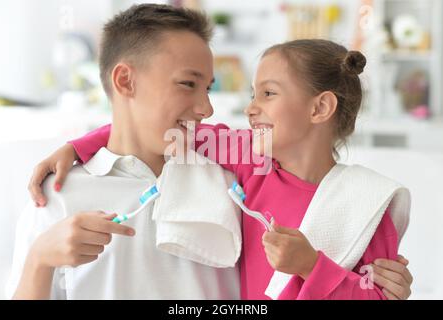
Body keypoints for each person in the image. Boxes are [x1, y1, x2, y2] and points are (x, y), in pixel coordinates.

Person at [28, 37, 413, 299]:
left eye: (269, 93)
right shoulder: (251, 161)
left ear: (319, 108)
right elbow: (157, 130)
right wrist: (78, 146)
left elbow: (376, 293)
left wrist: (311, 266)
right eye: (253, 93)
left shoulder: (367, 204)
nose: (251, 107)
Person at [8, 4, 240, 300]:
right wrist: (39, 261)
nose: (206, 109)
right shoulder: (56, 198)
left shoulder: (229, 184)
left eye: (207, 88)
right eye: (187, 84)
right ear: (126, 81)